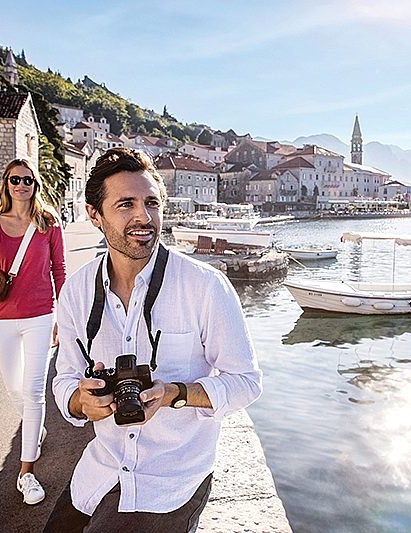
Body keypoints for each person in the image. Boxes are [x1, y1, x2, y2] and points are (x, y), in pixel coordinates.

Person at [45, 147, 262, 532]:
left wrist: (174, 393)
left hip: (172, 481)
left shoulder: (206, 286)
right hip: (100, 468)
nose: (143, 217)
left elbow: (246, 382)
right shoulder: (77, 292)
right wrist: (81, 401)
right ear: (94, 215)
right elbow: (64, 378)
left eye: (152, 203)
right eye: (125, 204)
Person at [0, 158, 66, 505]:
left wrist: (62, 315)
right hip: (1, 318)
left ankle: (26, 472)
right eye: (15, 179)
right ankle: (35, 429)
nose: (21, 185)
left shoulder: (48, 224)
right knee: (15, 390)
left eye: (27, 180)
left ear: (35, 185)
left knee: (33, 392)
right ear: (6, 184)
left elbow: (59, 269)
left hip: (40, 316)